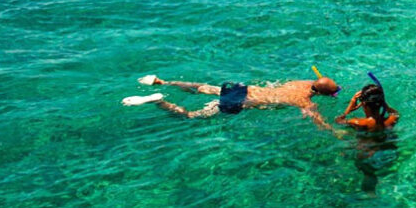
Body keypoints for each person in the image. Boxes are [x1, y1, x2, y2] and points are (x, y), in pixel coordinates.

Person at [122, 73, 341, 130]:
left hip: (242, 89)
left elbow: (319, 84)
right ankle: (158, 101)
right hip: (239, 103)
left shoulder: (301, 83)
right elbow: (317, 121)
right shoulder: (305, 101)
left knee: (202, 88)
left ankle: (161, 82)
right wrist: (333, 130)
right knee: (191, 116)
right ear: (321, 94)